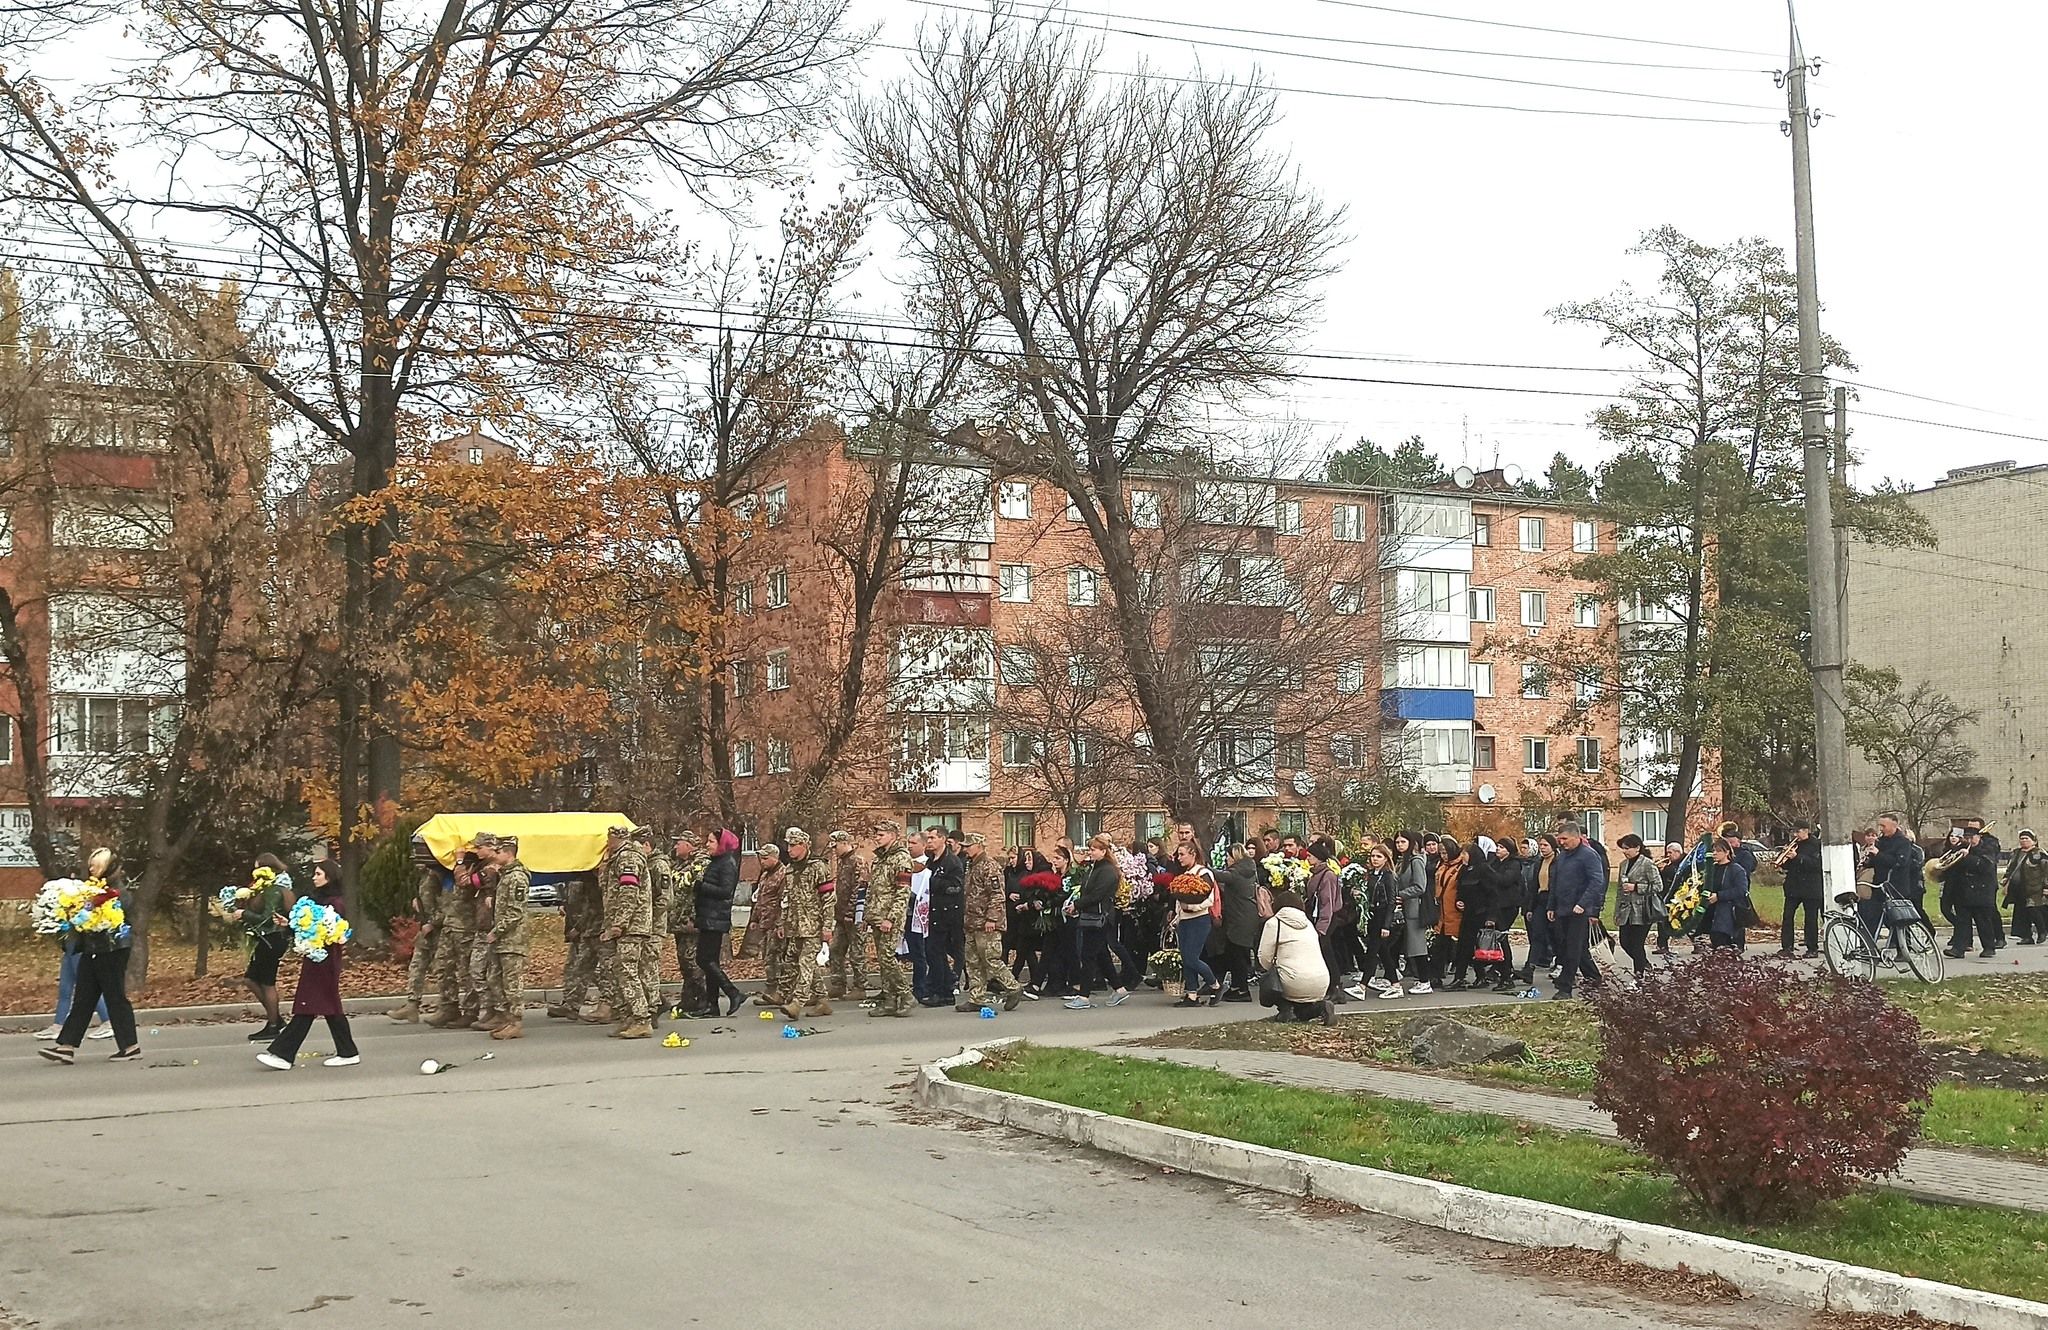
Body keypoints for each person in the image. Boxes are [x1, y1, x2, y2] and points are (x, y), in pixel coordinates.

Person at [37, 849, 141, 1066]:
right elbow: (84, 912)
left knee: (115, 997)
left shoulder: (117, 892)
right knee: (83, 998)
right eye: (90, 864)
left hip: (113, 950)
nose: (91, 868)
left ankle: (130, 1046)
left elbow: (115, 918)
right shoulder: (92, 890)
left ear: (107, 867)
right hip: (92, 949)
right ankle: (66, 1046)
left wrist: (88, 911)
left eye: (95, 865)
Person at [256, 861, 360, 1070]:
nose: (314, 877)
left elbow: (335, 933)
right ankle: (348, 1051)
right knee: (330, 1008)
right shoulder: (317, 900)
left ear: (329, 877)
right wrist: (290, 924)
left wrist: (311, 928)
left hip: (325, 960)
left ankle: (282, 1054)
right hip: (314, 958)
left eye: (318, 874)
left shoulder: (335, 903)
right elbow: (308, 928)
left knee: (307, 1005)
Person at [228, 852, 295, 1043]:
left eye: (257, 867)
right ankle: (276, 1020)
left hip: (272, 938)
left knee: (267, 982)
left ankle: (273, 1025)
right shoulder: (268, 888)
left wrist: (244, 914)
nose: (254, 871)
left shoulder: (274, 889)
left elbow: (268, 918)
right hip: (268, 939)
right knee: (251, 979)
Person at [957, 832, 1024, 1012]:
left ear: (979, 845)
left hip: (987, 923)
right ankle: (976, 997)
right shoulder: (971, 865)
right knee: (973, 961)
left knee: (991, 959)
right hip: (972, 921)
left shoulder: (990, 866)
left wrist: (992, 918)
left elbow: (997, 895)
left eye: (969, 846)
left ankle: (1013, 987)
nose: (965, 849)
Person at [428, 837, 489, 1028]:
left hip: (466, 927)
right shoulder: (456, 867)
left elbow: (465, 883)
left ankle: (471, 1011)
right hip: (451, 924)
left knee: (465, 971)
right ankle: (449, 1006)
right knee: (443, 966)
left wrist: (460, 860)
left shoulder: (481, 869)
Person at [1064, 834, 1130, 1009]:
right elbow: (1087, 891)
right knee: (1101, 955)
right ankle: (1119, 988)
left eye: (1093, 849)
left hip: (1100, 917)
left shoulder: (1108, 871)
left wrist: (1077, 905)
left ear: (1103, 851)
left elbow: (1097, 895)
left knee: (1088, 955)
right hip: (1091, 915)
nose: (1090, 852)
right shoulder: (1094, 868)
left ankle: (1084, 996)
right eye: (1090, 849)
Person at [602, 827, 657, 1038]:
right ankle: (629, 1019)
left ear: (616, 839)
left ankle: (641, 1019)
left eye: (609, 839)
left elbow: (628, 892)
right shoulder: (619, 858)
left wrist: (619, 923)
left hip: (632, 926)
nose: (607, 843)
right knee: (620, 970)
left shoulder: (628, 859)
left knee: (627, 971)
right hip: (627, 926)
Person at [688, 828, 746, 1018]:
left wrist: (701, 886)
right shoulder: (715, 862)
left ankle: (733, 992)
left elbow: (726, 891)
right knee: (710, 960)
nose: (707, 845)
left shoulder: (727, 863)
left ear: (722, 844)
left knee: (703, 959)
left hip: (715, 918)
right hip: (708, 916)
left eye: (711, 841)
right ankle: (712, 1005)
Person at [387, 842, 446, 1024]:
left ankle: (447, 1006)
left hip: (440, 930)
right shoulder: (424, 876)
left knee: (442, 969)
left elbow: (449, 905)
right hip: (426, 927)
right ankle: (412, 1005)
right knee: (417, 965)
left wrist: (434, 923)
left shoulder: (438, 876)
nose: (417, 861)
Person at [779, 829, 834, 1019]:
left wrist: (827, 926)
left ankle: (797, 1002)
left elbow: (828, 898)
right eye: (788, 845)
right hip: (795, 926)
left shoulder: (818, 867)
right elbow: (787, 899)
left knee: (806, 963)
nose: (790, 849)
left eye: (793, 845)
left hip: (813, 925)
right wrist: (783, 923)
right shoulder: (790, 869)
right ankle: (823, 1000)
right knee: (795, 963)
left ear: (804, 846)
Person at [1547, 823, 1606, 999]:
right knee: (1574, 947)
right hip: (1562, 909)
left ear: (1576, 837)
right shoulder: (1563, 856)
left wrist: (1583, 903)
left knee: (1572, 949)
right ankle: (1594, 978)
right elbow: (1555, 882)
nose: (1562, 842)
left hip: (1579, 910)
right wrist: (1551, 906)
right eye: (1560, 839)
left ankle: (1565, 987)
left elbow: (1597, 881)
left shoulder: (1589, 855)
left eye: (1565, 839)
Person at [1257, 888, 1332, 1025]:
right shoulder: (1309, 924)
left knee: (1271, 981)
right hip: (1322, 981)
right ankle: (1320, 1007)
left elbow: (1264, 957)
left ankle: (1286, 1010)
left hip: (1293, 981)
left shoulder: (1274, 923)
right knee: (1302, 1011)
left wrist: (1273, 968)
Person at [865, 822, 916, 1017]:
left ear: (893, 835)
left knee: (888, 958)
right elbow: (873, 889)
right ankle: (889, 1000)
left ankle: (905, 995)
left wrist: (891, 918)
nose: (877, 837)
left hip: (890, 917)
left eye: (881, 834)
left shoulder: (901, 858)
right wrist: (867, 915)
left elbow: (903, 892)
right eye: (876, 834)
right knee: (882, 960)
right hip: (876, 915)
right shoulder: (880, 859)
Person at [483, 836, 531, 1039]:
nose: (496, 855)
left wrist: (497, 931)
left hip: (512, 939)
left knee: (512, 983)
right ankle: (505, 1018)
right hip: (503, 939)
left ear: (509, 852)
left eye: (499, 852)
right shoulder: (506, 875)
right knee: (494, 978)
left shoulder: (517, 877)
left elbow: (515, 912)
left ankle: (515, 1022)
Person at [1167, 840, 1220, 1007]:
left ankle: (1215, 985)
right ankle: (1191, 994)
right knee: (1185, 957)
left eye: (1182, 854)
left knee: (1191, 958)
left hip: (1199, 920)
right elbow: (1179, 899)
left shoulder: (1204, 873)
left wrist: (1191, 906)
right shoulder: (1184, 875)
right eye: (1178, 855)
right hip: (1185, 921)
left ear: (1193, 854)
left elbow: (1208, 899)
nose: (1179, 858)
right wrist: (1177, 917)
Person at [1386, 830, 1434, 997]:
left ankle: (1425, 980)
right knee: (1396, 945)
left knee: (1417, 947)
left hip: (1413, 909)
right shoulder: (1400, 861)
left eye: (1403, 842)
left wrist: (1402, 895)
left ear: (1411, 843)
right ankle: (1393, 975)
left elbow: (1420, 886)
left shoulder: (1416, 861)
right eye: (1397, 842)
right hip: (1402, 909)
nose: (1400, 845)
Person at [922, 826, 966, 1006]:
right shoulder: (931, 861)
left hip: (947, 915)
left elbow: (955, 887)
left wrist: (933, 880)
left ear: (942, 839)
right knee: (932, 952)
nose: (929, 841)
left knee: (938, 951)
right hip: (932, 913)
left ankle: (943, 992)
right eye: (928, 838)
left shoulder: (952, 862)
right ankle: (942, 985)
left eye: (932, 837)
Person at [667, 830, 708, 1017]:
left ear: (690, 845)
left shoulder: (701, 864)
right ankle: (689, 999)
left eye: (679, 843)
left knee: (693, 962)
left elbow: (700, 892)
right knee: (684, 962)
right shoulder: (678, 864)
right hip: (679, 922)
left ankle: (703, 998)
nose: (676, 846)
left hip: (692, 922)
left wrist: (694, 917)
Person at [1946, 826, 2003, 959]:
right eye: (1966, 838)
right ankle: (1958, 949)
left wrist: (1966, 858)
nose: (1969, 840)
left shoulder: (1987, 849)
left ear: (1978, 837)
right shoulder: (1958, 849)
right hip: (1962, 891)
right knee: (1962, 922)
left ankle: (1989, 947)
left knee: (1983, 921)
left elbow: (1985, 866)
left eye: (1972, 838)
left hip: (1981, 891)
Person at [826, 831, 869, 1000]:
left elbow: (859, 889)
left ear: (844, 843)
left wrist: (852, 913)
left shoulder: (857, 861)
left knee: (856, 952)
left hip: (853, 916)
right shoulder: (843, 862)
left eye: (835, 846)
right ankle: (838, 984)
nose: (834, 850)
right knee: (835, 949)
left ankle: (860, 987)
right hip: (841, 915)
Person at [1216, 844, 1263, 1001]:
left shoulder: (1238, 871)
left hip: (1241, 919)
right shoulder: (1249, 869)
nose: (1226, 859)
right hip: (1244, 917)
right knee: (1234, 953)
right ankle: (1236, 986)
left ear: (1234, 856)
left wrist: (1203, 869)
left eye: (1228, 856)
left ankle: (1243, 990)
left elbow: (1223, 877)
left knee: (1238, 956)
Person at [747, 844, 788, 1006]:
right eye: (761, 858)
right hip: (765, 923)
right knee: (767, 957)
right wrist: (755, 919)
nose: (762, 861)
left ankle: (779, 991)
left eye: (765, 858)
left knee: (775, 957)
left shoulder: (782, 874)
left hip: (776, 923)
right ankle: (771, 989)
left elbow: (783, 902)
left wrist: (780, 924)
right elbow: (759, 899)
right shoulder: (765, 875)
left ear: (774, 857)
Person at [1614, 834, 1662, 976]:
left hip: (1642, 910)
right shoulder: (1623, 864)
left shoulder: (1647, 864)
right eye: (1623, 848)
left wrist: (1636, 887)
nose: (1625, 851)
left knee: (1637, 944)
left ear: (1637, 848)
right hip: (1626, 910)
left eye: (1628, 848)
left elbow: (1658, 886)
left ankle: (1639, 974)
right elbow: (1619, 889)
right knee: (1624, 942)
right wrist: (1617, 912)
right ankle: (1644, 963)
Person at [1777, 823, 1823, 958]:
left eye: (1798, 832)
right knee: (1787, 916)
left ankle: (1812, 948)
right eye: (1794, 832)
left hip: (1811, 887)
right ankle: (1787, 947)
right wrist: (1784, 858)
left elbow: (1816, 865)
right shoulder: (1794, 844)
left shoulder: (1816, 845)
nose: (1795, 835)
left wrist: (1797, 857)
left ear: (1806, 831)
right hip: (1793, 887)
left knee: (1810, 918)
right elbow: (1786, 866)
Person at [1430, 837, 1465, 988]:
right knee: (1439, 946)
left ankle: (1462, 975)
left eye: (1445, 852)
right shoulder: (1442, 865)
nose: (1443, 855)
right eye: (1441, 853)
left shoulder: (1460, 866)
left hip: (1455, 911)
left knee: (1460, 946)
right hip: (1442, 912)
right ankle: (1436, 976)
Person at [1705, 840, 1750, 950]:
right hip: (1713, 914)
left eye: (1718, 851)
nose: (1714, 853)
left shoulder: (1736, 869)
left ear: (1727, 852)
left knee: (1727, 948)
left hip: (1730, 914)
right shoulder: (1711, 870)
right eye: (1713, 851)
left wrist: (1719, 896)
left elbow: (1741, 890)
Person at [2007, 830, 2046, 945]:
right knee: (2021, 913)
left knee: (2034, 909)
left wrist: (2046, 886)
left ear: (2034, 841)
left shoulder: (2039, 853)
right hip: (2019, 888)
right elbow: (2011, 868)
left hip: (2035, 888)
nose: (2024, 841)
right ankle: (2026, 936)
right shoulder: (2016, 853)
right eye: (2022, 838)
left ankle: (2042, 931)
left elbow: (2046, 870)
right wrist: (2006, 880)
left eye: (2026, 839)